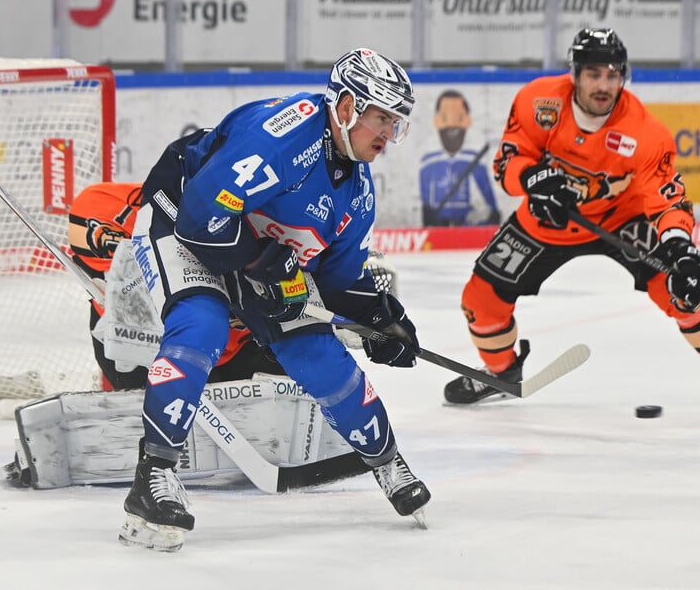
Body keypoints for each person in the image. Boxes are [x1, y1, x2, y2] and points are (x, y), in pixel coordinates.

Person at [119, 48, 431, 552]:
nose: (388, 136)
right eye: (382, 119)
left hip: (254, 246)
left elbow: (337, 279)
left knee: (318, 354)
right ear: (347, 107)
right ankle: (153, 476)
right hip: (182, 218)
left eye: (396, 124)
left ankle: (386, 459)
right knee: (202, 327)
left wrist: (380, 317)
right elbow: (201, 218)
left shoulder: (358, 189)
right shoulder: (284, 136)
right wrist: (262, 261)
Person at [443, 28, 700, 427]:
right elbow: (509, 164)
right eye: (593, 74)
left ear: (624, 76)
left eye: (612, 74)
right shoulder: (537, 101)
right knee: (481, 300)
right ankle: (501, 373)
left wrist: (680, 249)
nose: (603, 85)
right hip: (546, 220)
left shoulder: (645, 132)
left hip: (623, 219)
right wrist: (534, 180)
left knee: (683, 291)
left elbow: (667, 200)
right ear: (575, 74)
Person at [67, 181, 285, 390]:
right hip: (140, 350)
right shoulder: (105, 206)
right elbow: (88, 230)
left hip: (239, 349)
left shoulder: (266, 223)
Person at [419, 89, 500, 226]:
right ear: (437, 121)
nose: (452, 125)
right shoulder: (429, 162)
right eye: (445, 118)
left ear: (467, 121)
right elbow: (426, 206)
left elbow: (492, 209)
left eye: (459, 118)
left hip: (466, 225)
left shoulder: (475, 162)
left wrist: (483, 221)